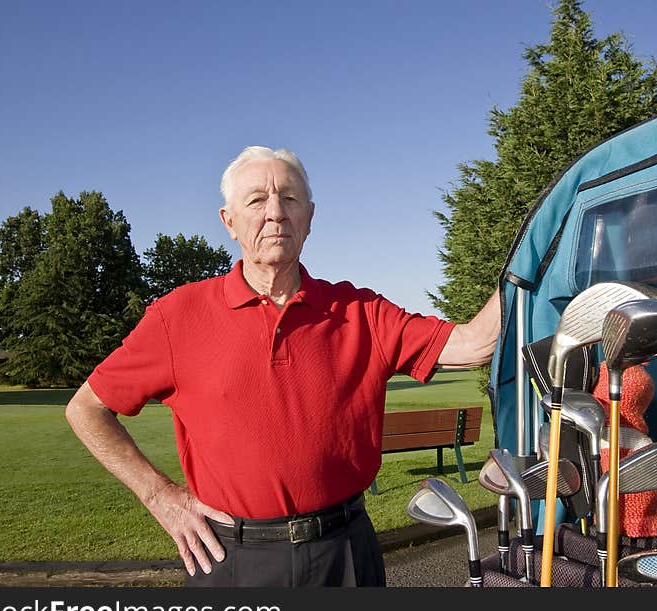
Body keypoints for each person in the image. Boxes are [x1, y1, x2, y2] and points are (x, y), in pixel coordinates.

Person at [65, 145, 501, 587]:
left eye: (289, 199)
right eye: (256, 200)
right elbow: (86, 408)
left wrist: (539, 253)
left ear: (309, 217)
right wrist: (160, 495)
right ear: (228, 221)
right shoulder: (177, 316)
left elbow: (474, 343)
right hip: (231, 560)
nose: (276, 212)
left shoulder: (360, 310)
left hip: (345, 553)